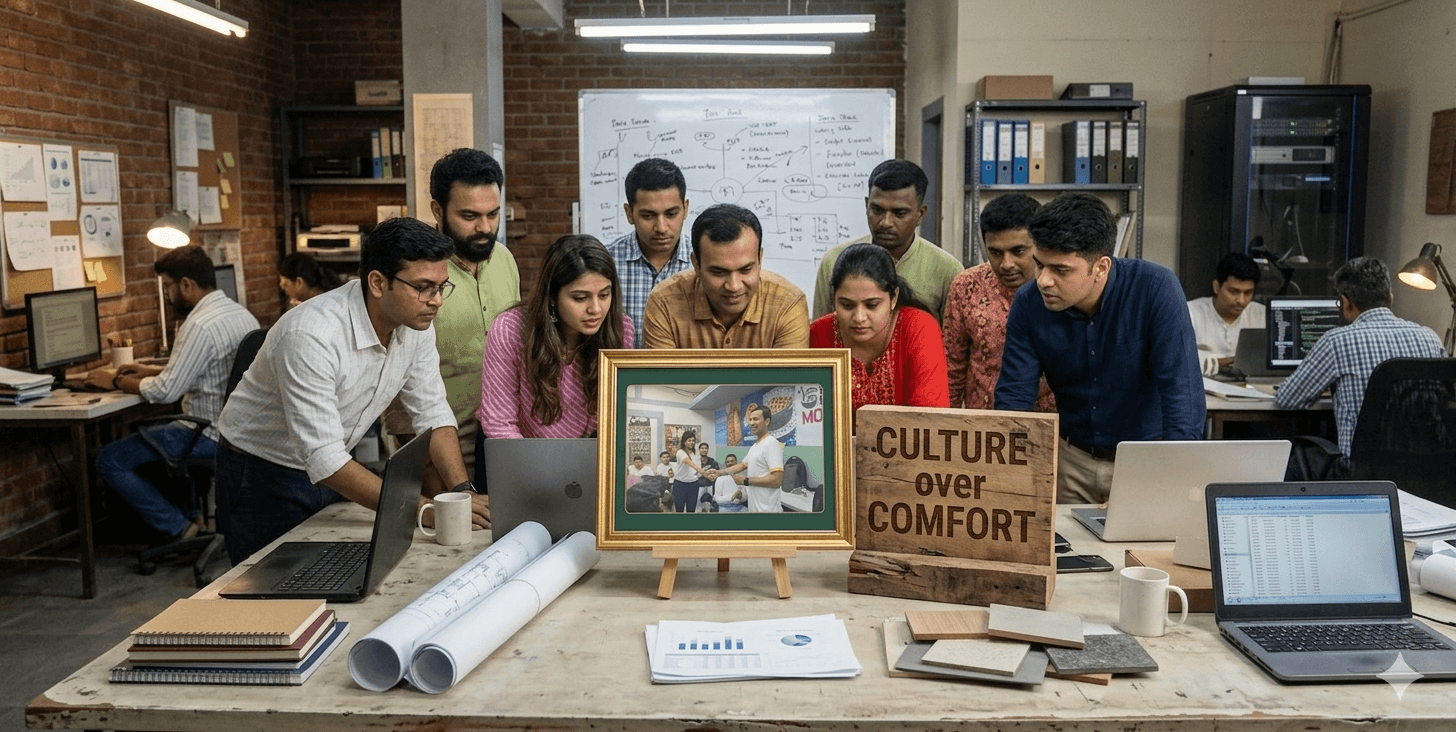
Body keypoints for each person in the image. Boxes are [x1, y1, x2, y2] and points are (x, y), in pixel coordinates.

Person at [213, 216, 488, 565]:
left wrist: (461, 493)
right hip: (261, 472)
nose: (437, 301)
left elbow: (432, 411)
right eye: (423, 287)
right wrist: (425, 509)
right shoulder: (311, 334)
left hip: (334, 464)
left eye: (441, 287)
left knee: (336, 578)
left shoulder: (415, 324)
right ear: (377, 282)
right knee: (269, 593)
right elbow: (324, 458)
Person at [995, 193, 1204, 505]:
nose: (1043, 281)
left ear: (1101, 267)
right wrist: (1009, 482)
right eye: (1039, 265)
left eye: (1060, 270)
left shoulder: (1155, 288)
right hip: (1070, 460)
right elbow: (1014, 399)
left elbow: (1182, 395)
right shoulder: (1028, 303)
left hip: (1146, 461)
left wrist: (1170, 480)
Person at [87, 246, 259, 543]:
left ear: (186, 285)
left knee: (110, 459)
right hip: (241, 433)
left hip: (206, 434)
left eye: (168, 286)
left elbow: (166, 391)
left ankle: (180, 528)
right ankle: (195, 516)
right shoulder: (241, 314)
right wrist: (145, 369)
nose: (167, 294)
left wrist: (114, 380)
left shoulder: (198, 325)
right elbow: (204, 370)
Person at [1275, 257, 1446, 470]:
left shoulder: (1337, 341)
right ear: (1390, 297)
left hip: (1362, 474)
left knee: (1290, 462)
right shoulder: (1430, 337)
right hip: (1426, 472)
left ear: (1346, 302)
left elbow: (1287, 400)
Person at [418, 149, 521, 490]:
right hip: (442, 461)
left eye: (493, 214)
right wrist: (441, 489)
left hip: (504, 449)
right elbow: (401, 403)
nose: (485, 228)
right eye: (469, 216)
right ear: (437, 210)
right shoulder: (418, 277)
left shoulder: (504, 259)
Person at [478, 234, 631, 438]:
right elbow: (499, 424)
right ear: (551, 297)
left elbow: (617, 418)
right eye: (580, 298)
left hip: (588, 455)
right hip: (518, 453)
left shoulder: (621, 329)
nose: (596, 309)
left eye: (604, 295)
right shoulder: (510, 329)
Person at [942, 193, 1055, 411]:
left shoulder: (1061, 287)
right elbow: (952, 368)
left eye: (1018, 251)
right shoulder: (966, 286)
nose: (1006, 264)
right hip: (985, 429)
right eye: (995, 252)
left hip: (1053, 426)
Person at [642, 203, 809, 349]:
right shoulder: (664, 303)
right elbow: (660, 383)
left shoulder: (788, 304)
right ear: (696, 265)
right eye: (719, 272)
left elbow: (788, 383)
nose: (734, 286)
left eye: (745, 270)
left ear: (760, 259)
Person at [812, 159, 962, 320]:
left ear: (920, 214)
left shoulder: (948, 271)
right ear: (866, 206)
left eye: (899, 213)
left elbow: (952, 342)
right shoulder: (834, 261)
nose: (886, 222)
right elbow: (821, 335)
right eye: (877, 210)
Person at [810, 242, 949, 413]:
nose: (859, 317)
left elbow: (928, 418)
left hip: (910, 440)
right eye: (847, 305)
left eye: (872, 305)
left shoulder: (919, 329)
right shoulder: (819, 334)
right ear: (833, 299)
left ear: (893, 298)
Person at [607, 158, 693, 347]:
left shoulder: (704, 263)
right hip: (620, 376)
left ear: (685, 209)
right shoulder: (606, 263)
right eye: (648, 215)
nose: (661, 227)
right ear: (629, 213)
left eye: (671, 214)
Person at [1188, 251, 1266, 377]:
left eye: (1248, 293)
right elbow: (1176, 357)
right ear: (1216, 287)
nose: (1241, 300)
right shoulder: (1190, 313)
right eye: (1234, 291)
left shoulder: (1262, 315)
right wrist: (1227, 362)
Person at [712, 403, 785, 513]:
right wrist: (718, 472)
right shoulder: (755, 446)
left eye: (755, 419)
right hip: (755, 508)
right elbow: (742, 465)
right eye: (750, 419)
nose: (751, 423)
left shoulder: (771, 443)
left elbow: (776, 480)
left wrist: (745, 480)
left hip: (768, 509)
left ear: (767, 421)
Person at [669, 429, 706, 512]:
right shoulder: (680, 452)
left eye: (693, 440)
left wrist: (703, 473)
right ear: (684, 442)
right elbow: (688, 461)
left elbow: (698, 470)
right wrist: (702, 471)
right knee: (679, 509)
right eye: (689, 440)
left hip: (693, 484)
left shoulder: (696, 454)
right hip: (680, 485)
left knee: (691, 509)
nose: (691, 442)